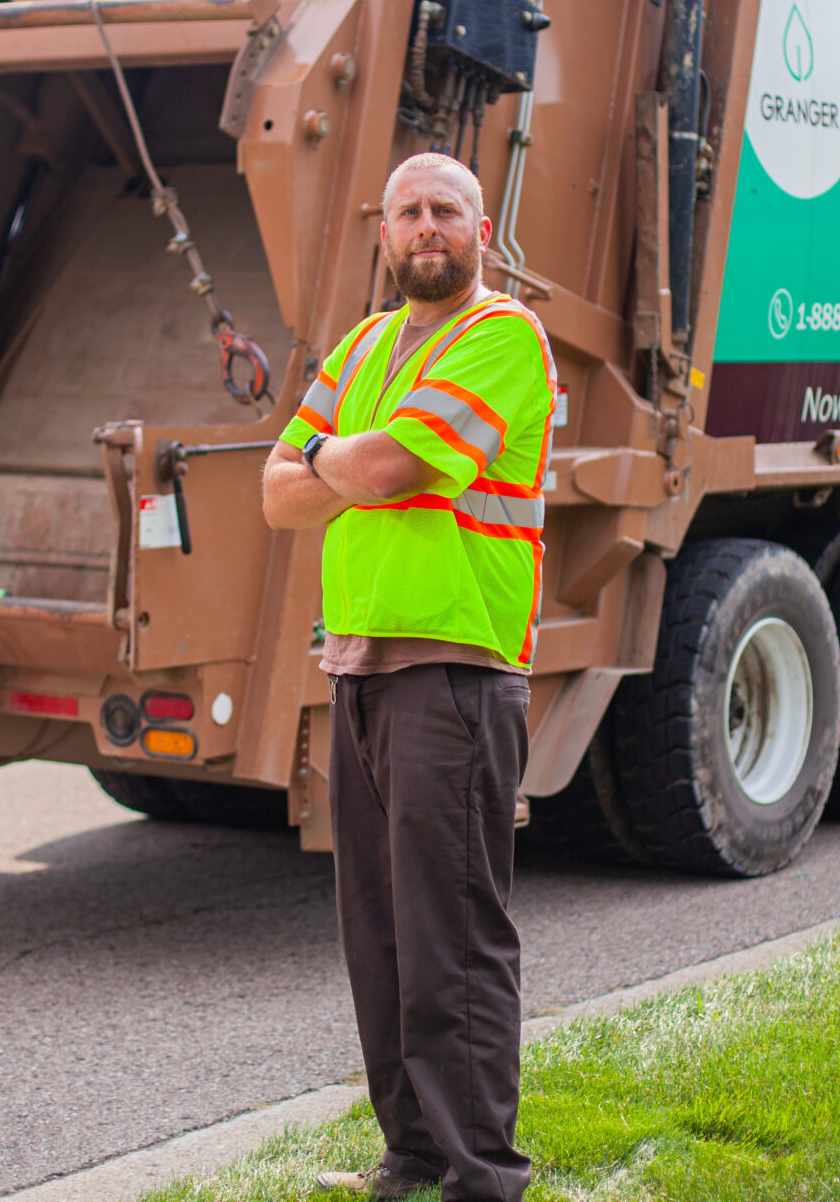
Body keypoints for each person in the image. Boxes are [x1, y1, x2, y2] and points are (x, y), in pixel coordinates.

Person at [262, 152, 556, 1201]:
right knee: (380, 938)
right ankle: (413, 1158)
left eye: (445, 209)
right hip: (358, 665)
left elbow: (389, 468)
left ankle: (483, 1176)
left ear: (481, 229)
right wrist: (348, 459)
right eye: (408, 211)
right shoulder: (363, 344)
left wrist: (331, 456)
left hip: (454, 670)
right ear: (382, 232)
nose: (426, 225)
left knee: (452, 939)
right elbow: (274, 495)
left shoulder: (504, 336)